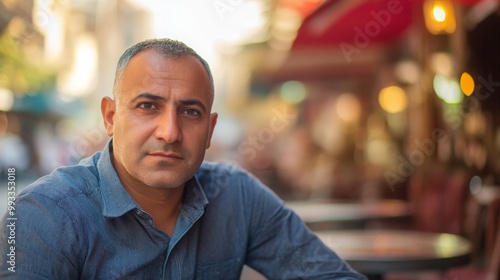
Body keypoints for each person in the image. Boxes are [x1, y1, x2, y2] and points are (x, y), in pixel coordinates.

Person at [0, 38, 366, 279]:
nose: (170, 132)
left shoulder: (237, 197)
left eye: (190, 112)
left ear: (210, 130)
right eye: (148, 106)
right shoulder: (43, 216)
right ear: (110, 117)